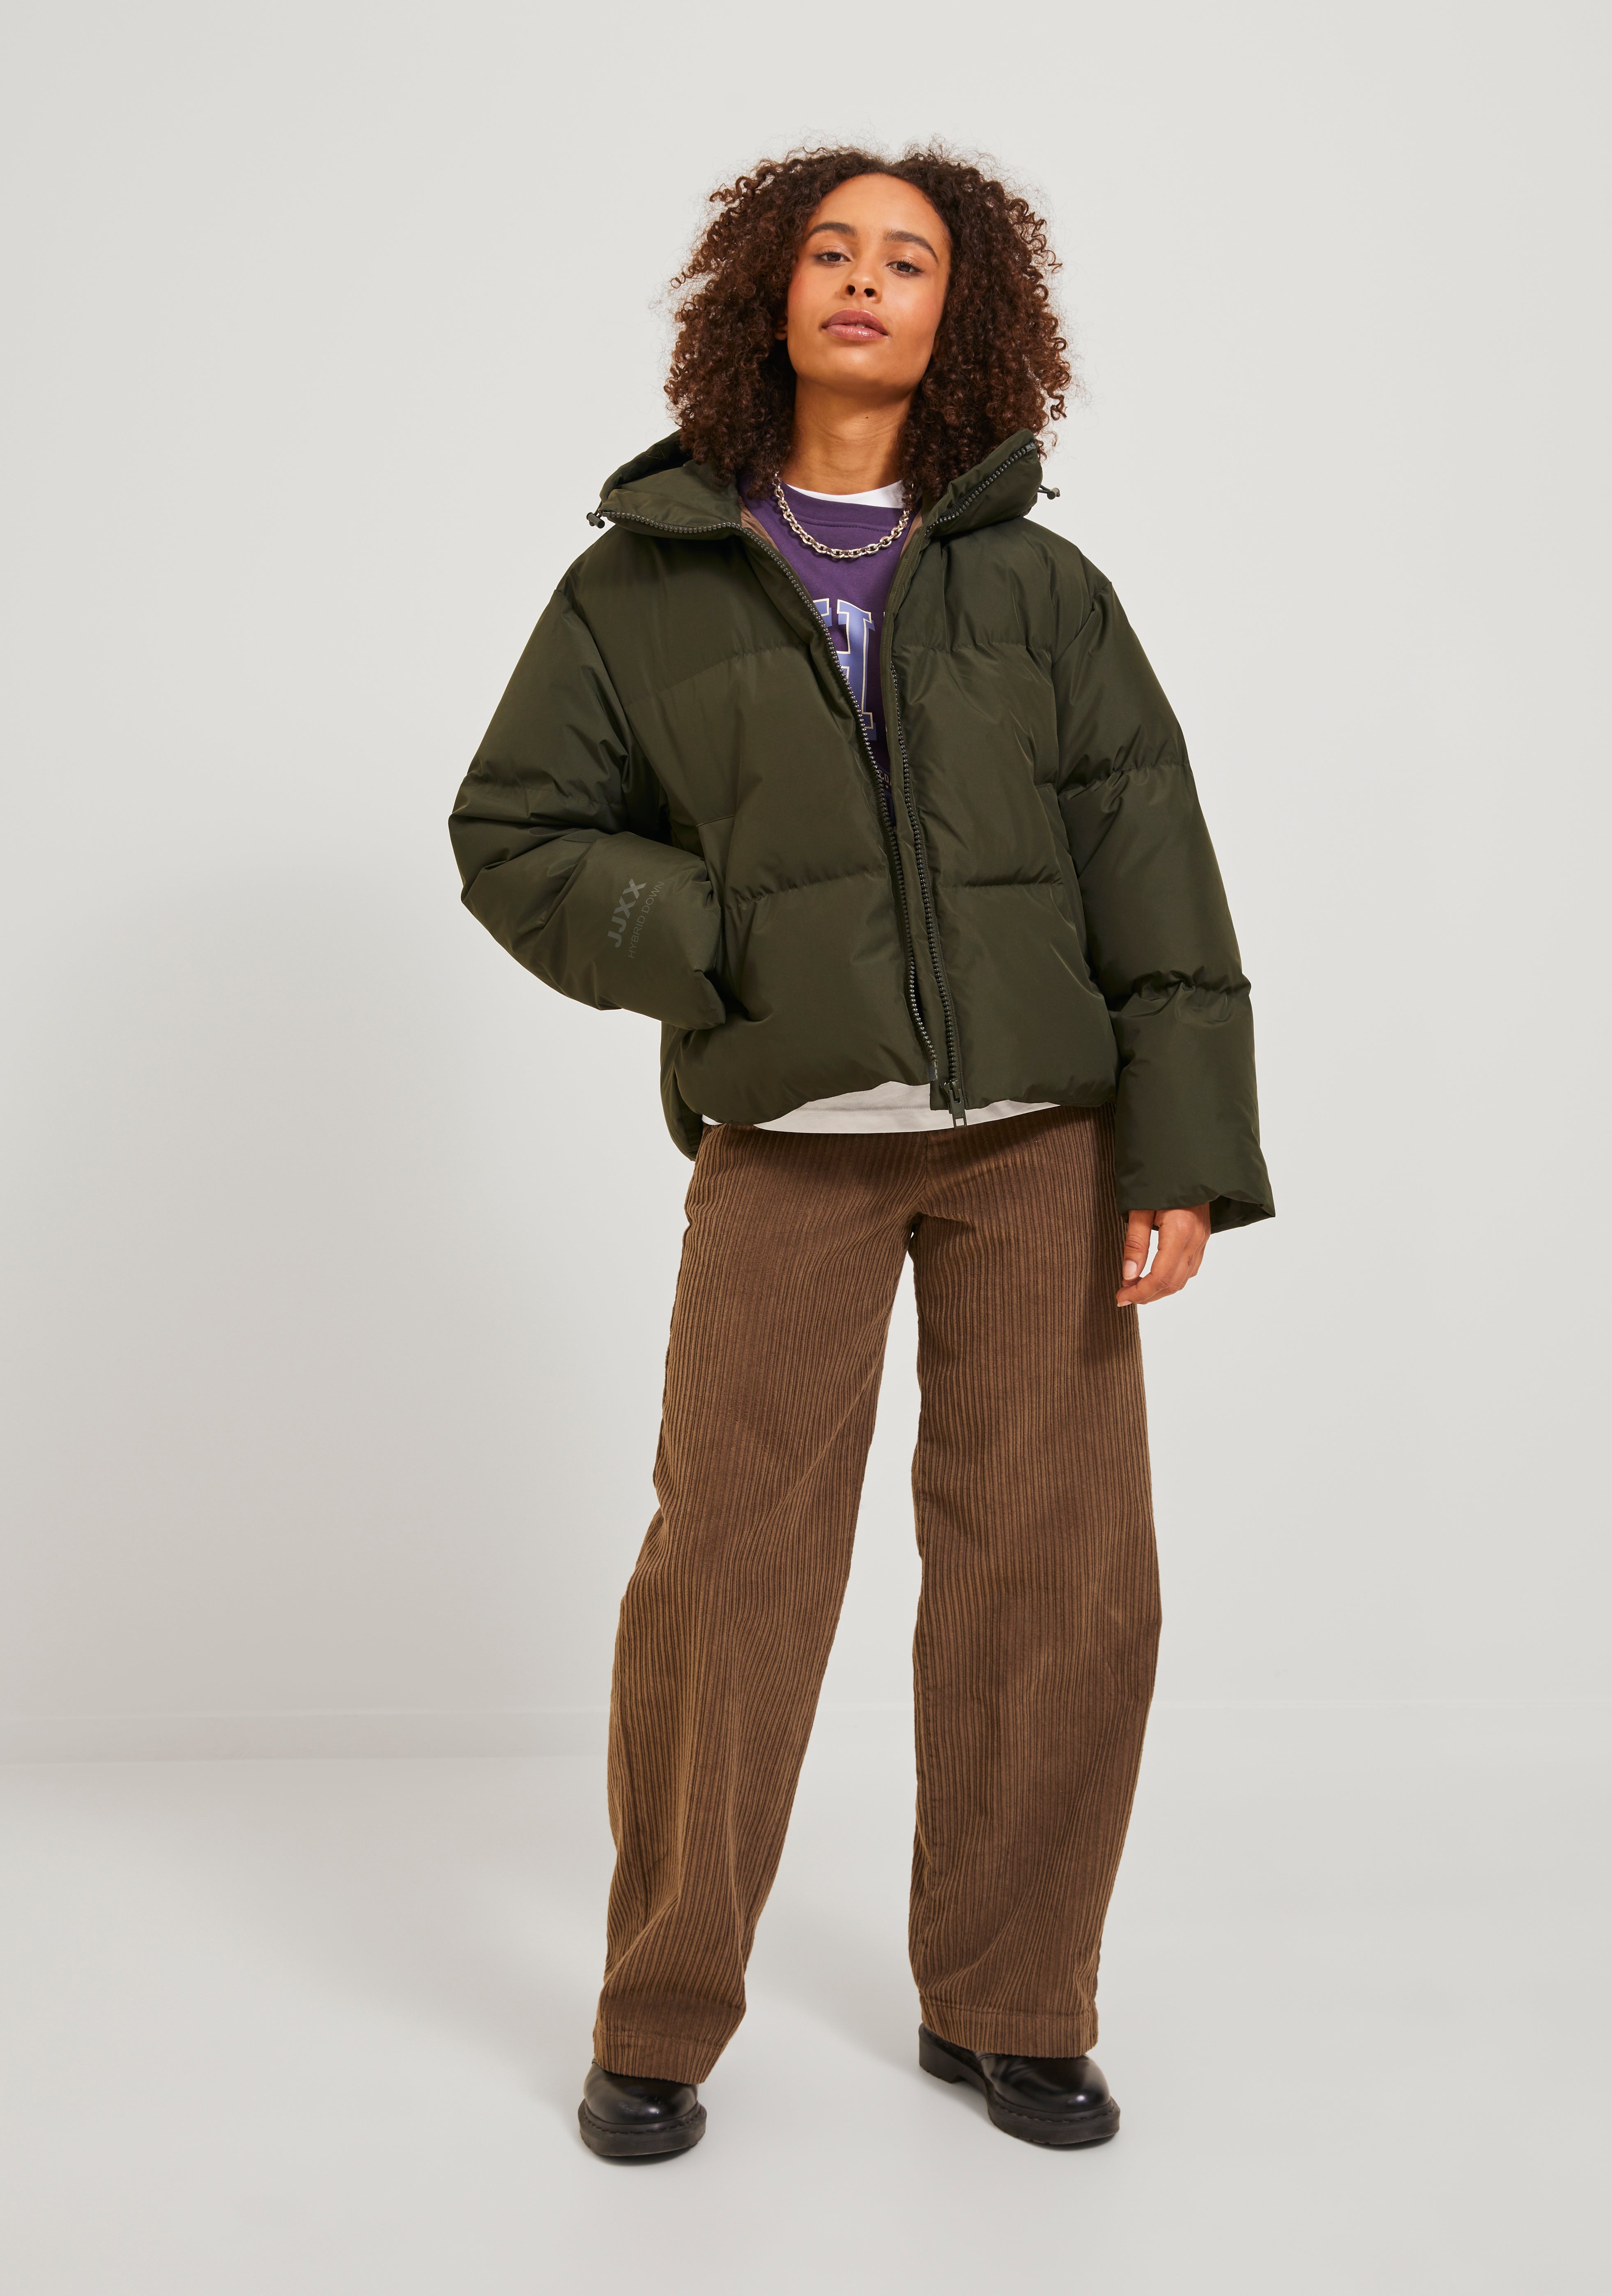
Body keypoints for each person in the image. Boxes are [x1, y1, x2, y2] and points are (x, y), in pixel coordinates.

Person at [450, 145, 1273, 2160]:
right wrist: (725, 941)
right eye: (829, 248)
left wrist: (1177, 1149)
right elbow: (515, 834)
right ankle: (658, 2017)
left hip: (1039, 1143)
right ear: (768, 289)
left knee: (1057, 1582)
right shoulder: (643, 580)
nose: (863, 279)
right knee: (727, 1572)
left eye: (908, 259)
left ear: (957, 317)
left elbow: (1148, 866)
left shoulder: (1039, 589)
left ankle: (1011, 2004)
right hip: (788, 1146)